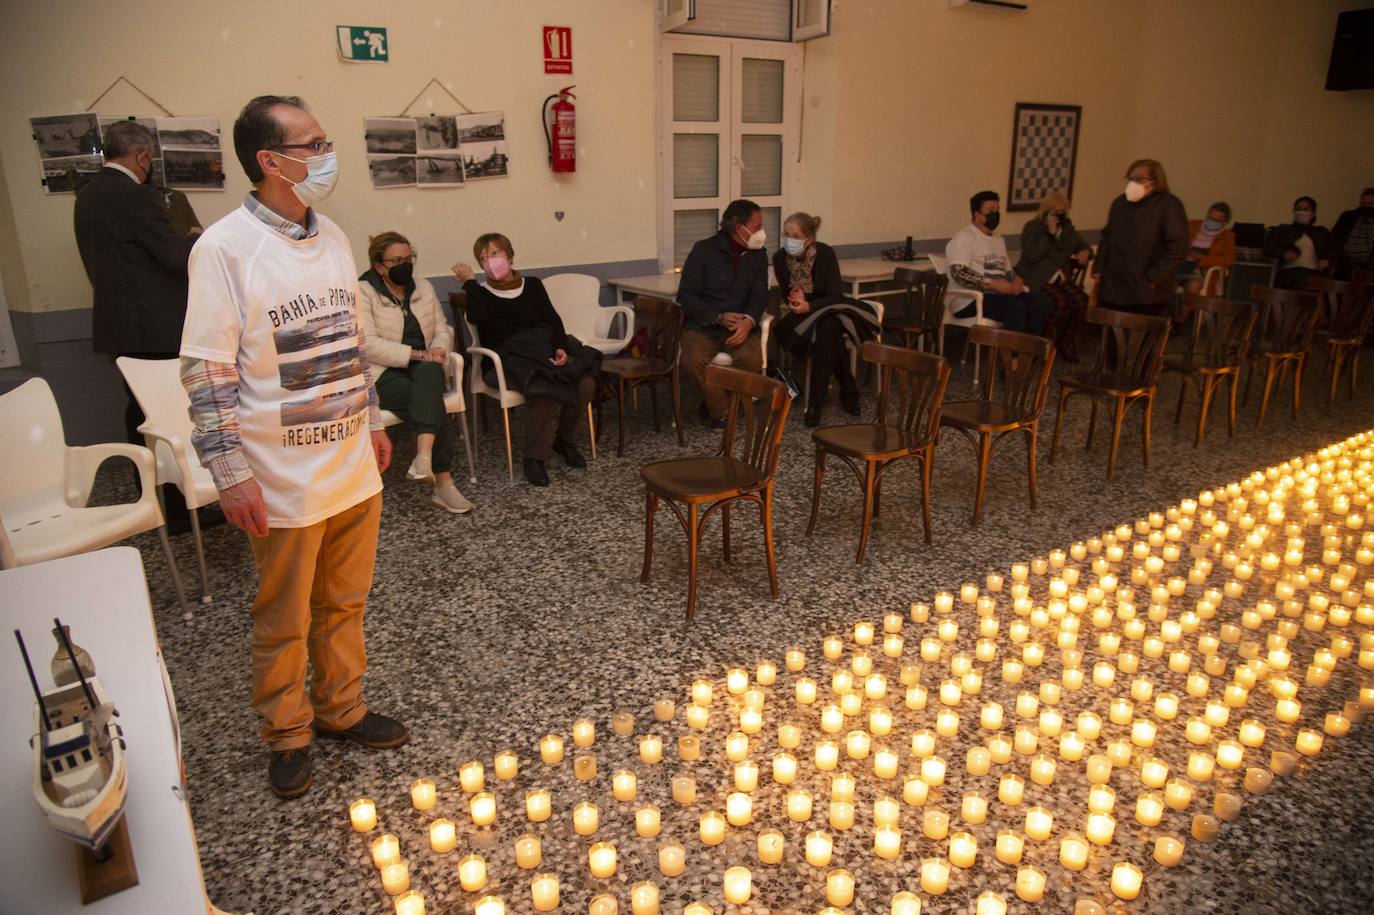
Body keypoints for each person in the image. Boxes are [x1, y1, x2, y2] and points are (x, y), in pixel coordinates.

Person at [179, 95, 408, 799]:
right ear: (269, 161)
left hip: (348, 462)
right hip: (278, 475)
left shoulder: (335, 235)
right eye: (312, 144)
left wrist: (371, 419)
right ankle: (287, 730)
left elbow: (348, 343)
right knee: (283, 614)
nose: (327, 153)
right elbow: (207, 373)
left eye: (325, 137)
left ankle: (341, 707)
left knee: (346, 600)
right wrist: (231, 474)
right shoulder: (223, 249)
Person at [74, 120, 205, 532]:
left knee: (139, 413)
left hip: (120, 324)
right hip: (155, 325)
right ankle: (180, 506)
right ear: (142, 156)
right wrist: (201, 240)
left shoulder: (87, 196)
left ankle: (150, 497)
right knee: (169, 416)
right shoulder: (136, 197)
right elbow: (171, 257)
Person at [453, 233, 598, 486]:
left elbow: (553, 320)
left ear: (509, 255)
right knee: (540, 389)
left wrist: (560, 348)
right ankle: (535, 458)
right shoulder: (481, 293)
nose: (490, 262)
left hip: (541, 352)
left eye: (495, 254)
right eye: (483, 258)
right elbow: (477, 318)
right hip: (505, 362)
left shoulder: (532, 285)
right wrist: (470, 284)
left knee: (585, 382)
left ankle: (565, 441)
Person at [359, 231, 472, 513]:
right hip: (384, 371)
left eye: (409, 258)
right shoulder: (362, 291)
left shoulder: (423, 287)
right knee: (431, 403)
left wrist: (438, 350)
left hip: (425, 366)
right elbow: (368, 344)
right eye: (397, 260)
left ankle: (423, 458)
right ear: (379, 266)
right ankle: (443, 483)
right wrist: (418, 354)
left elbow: (442, 328)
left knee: (431, 376)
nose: (405, 265)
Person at [771, 212, 879, 426]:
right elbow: (786, 292)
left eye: (795, 235)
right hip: (803, 312)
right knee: (827, 336)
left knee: (827, 327)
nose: (789, 240)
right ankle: (847, 388)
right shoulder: (779, 258)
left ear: (809, 238)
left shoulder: (825, 254)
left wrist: (810, 304)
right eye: (786, 234)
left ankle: (816, 404)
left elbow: (835, 294)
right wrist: (796, 298)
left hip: (831, 308)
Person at [677, 199, 768, 430]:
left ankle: (716, 405)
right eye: (757, 227)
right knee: (692, 360)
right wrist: (717, 317)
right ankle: (722, 412)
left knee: (751, 360)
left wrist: (748, 322)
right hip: (704, 325)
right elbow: (686, 296)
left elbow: (760, 295)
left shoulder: (758, 255)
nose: (761, 232)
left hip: (742, 327)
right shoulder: (703, 250)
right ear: (740, 229)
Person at [947, 190, 1051, 336]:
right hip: (969, 299)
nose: (995, 214)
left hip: (998, 295)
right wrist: (993, 284)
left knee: (1041, 302)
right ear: (978, 215)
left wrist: (1016, 281)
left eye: (997, 210)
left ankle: (1028, 351)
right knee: (1016, 307)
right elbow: (959, 273)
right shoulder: (965, 237)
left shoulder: (999, 240)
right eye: (990, 211)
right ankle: (1010, 355)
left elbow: (1008, 272)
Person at [1093, 159, 1189, 316]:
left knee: (1139, 337)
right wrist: (1099, 269)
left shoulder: (1169, 205)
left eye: (1138, 179)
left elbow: (1178, 247)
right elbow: (1107, 238)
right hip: (1113, 288)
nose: (1132, 183)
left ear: (1155, 181)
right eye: (1130, 179)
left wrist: (1154, 278)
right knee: (1110, 335)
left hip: (1147, 292)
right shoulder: (1120, 203)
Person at [1015, 192, 1092, 361]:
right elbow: (1031, 256)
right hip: (1039, 277)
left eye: (1064, 211)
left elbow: (1082, 244)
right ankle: (1044, 344)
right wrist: (1049, 235)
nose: (1060, 215)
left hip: (1062, 276)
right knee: (1059, 303)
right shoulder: (1032, 228)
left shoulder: (1068, 230)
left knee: (1081, 301)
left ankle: (1065, 340)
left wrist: (1085, 251)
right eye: (1056, 211)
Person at [1264, 196, 1333, 291]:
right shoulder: (1284, 230)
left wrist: (1327, 259)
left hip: (1313, 274)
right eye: (1298, 209)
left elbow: (1334, 249)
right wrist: (1284, 252)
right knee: (1299, 276)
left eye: (1306, 209)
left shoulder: (1321, 232)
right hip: (1289, 273)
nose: (1301, 212)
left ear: (1313, 213)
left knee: (1307, 279)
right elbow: (1268, 247)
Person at [1177, 202, 1235, 295]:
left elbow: (1228, 261)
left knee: (1194, 286)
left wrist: (1202, 258)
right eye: (1210, 218)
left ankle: (1187, 309)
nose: (1212, 222)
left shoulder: (1227, 236)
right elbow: (1176, 242)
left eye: (1217, 221)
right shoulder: (1192, 225)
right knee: (1162, 281)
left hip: (1203, 271)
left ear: (1225, 222)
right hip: (1180, 264)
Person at [1331, 187, 1374, 279]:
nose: (1366, 207)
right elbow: (1334, 238)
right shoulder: (1348, 217)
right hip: (1345, 264)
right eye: (1363, 204)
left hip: (1368, 267)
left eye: (1371, 204)